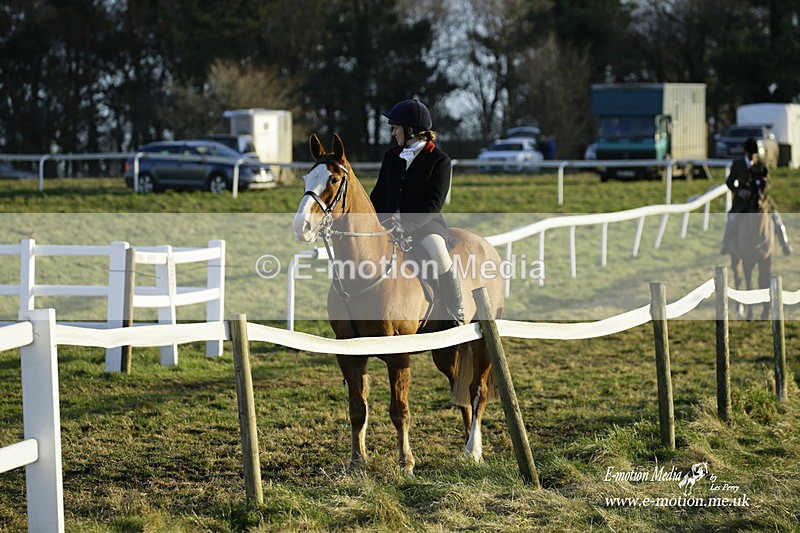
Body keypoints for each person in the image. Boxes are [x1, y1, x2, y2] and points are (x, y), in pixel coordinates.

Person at [369, 99, 465, 327]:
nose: (393, 133)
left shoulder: (440, 161)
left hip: (425, 226)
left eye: (396, 128)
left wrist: (407, 226)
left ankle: (455, 312)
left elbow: (434, 203)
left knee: (439, 253)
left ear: (410, 130)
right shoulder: (391, 157)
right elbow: (378, 195)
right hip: (388, 224)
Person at [720, 137, 792, 255]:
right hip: (743, 200)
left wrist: (762, 193)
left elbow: (768, 182)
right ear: (746, 152)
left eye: (755, 154)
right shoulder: (737, 164)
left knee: (776, 217)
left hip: (760, 199)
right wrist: (739, 191)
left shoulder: (761, 164)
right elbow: (729, 182)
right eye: (752, 154)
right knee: (732, 218)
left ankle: (785, 244)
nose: (754, 156)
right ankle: (726, 244)